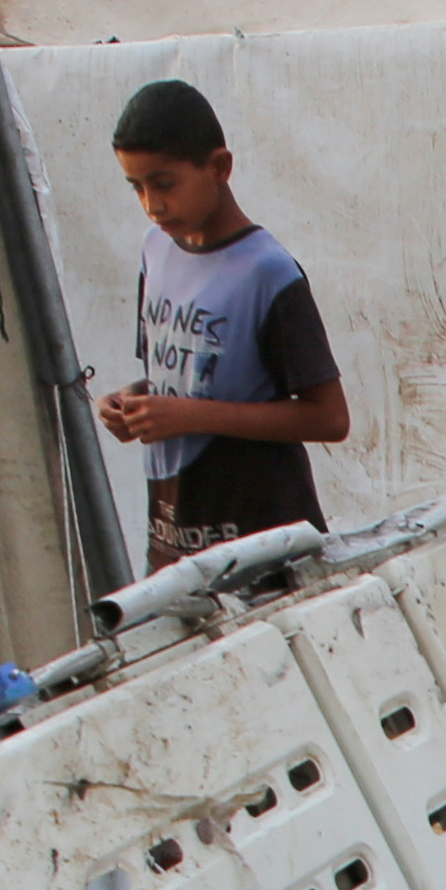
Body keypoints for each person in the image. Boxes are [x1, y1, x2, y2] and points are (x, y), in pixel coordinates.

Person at [96, 77, 350, 572]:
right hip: (175, 541)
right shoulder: (154, 251)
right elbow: (188, 375)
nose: (152, 204)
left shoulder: (267, 273)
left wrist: (189, 415)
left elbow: (330, 418)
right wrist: (134, 403)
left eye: (164, 183)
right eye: (137, 187)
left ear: (219, 167)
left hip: (265, 545)